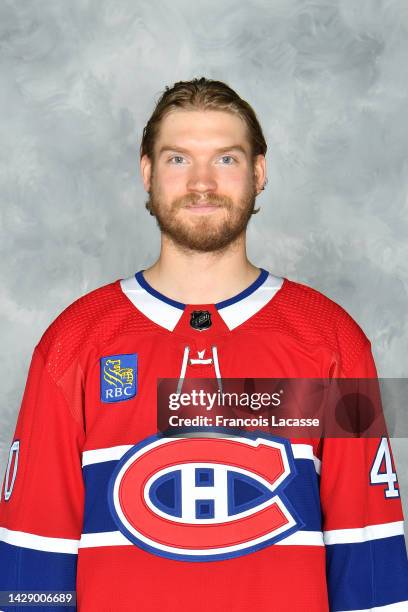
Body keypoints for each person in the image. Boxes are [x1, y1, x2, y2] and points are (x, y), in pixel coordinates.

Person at [0, 77, 407, 612]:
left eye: (226, 159)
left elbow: (368, 556)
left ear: (258, 173)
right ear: (147, 173)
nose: (201, 182)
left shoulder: (330, 341)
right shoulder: (74, 343)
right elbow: (34, 560)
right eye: (177, 160)